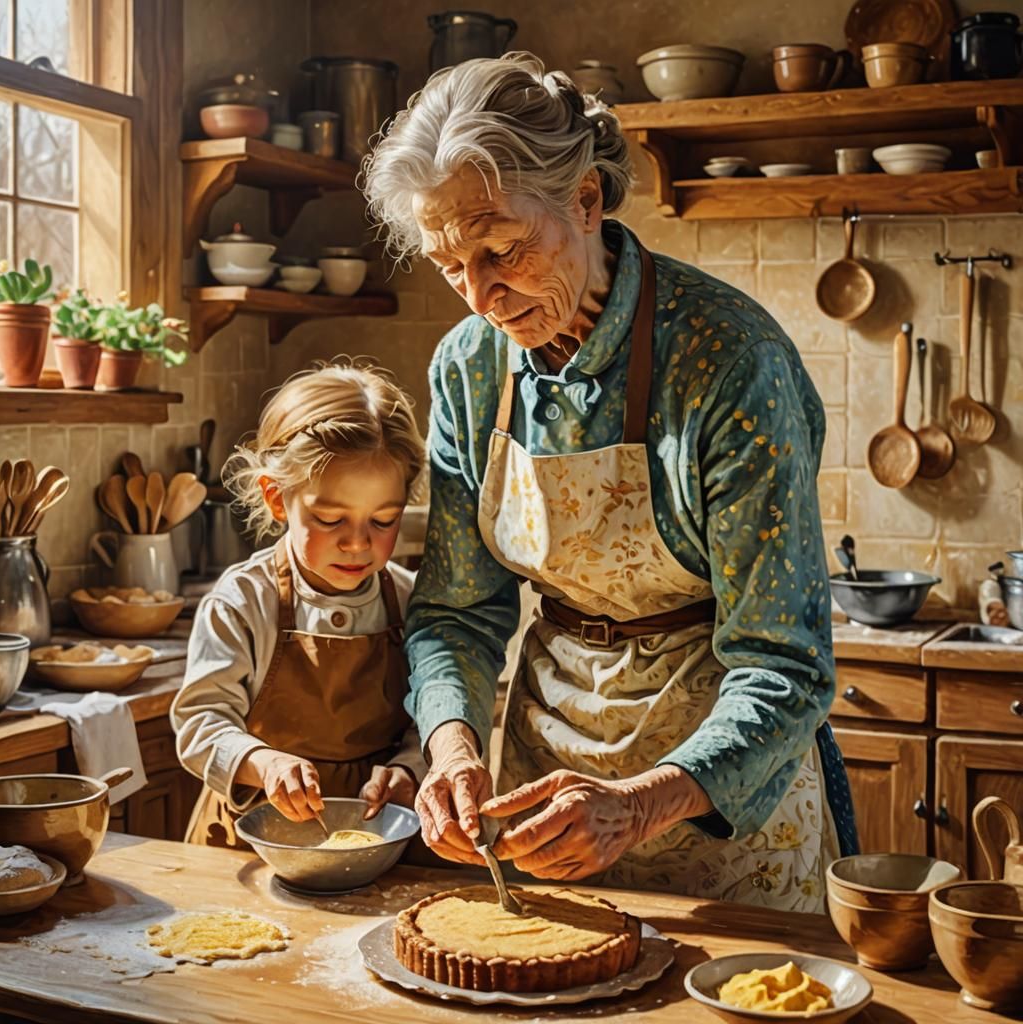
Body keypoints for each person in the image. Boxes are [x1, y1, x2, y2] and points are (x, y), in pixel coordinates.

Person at [363, 52, 857, 912]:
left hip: (718, 800)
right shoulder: (469, 371)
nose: (480, 295)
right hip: (538, 769)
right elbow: (455, 610)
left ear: (585, 201)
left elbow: (784, 661)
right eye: (450, 265)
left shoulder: (728, 360)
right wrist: (450, 748)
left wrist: (638, 805)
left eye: (504, 249)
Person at [172, 361, 426, 847]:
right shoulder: (243, 601)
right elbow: (201, 724)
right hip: (250, 841)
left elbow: (429, 721)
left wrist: (409, 768)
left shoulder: (412, 601)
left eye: (384, 519)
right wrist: (262, 763)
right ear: (275, 497)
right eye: (330, 519)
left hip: (381, 838)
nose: (357, 543)